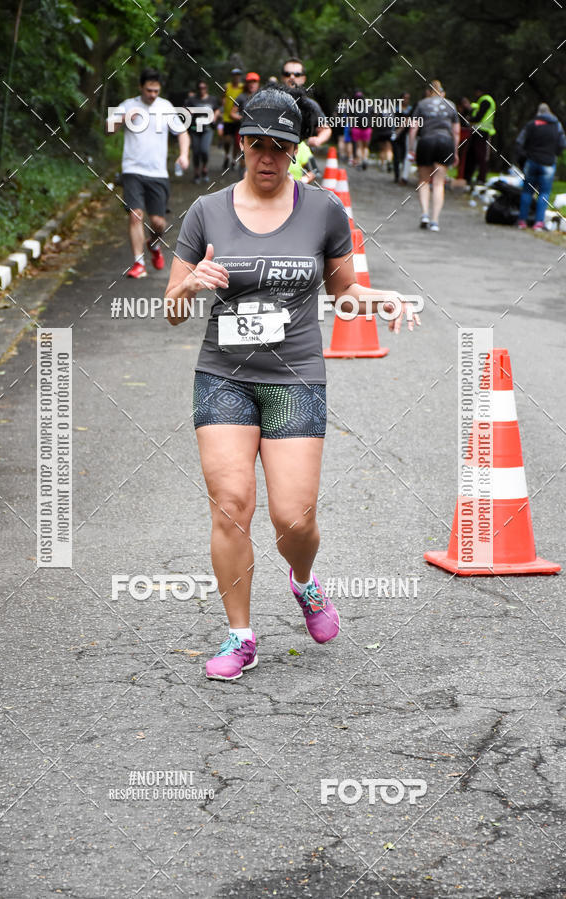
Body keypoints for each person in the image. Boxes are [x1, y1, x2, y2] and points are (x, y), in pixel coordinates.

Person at [164, 85, 419, 681]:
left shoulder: (323, 210)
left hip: (294, 375)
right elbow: (172, 308)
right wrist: (191, 285)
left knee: (294, 518)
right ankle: (241, 636)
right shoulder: (207, 212)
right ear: (242, 143)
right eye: (258, 144)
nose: (269, 156)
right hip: (223, 375)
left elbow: (344, 290)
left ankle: (304, 583)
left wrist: (377, 299)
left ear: (296, 149)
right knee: (231, 506)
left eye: (281, 145)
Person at [106, 67, 190, 278]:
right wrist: (123, 118)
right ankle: (139, 263)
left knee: (158, 223)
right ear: (140, 87)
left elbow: (182, 133)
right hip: (132, 169)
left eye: (156, 91)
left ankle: (153, 244)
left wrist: (184, 154)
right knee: (136, 216)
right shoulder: (129, 105)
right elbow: (108, 129)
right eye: (149, 90)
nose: (152, 95)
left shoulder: (166, 107)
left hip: (158, 173)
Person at [409, 80, 459, 232]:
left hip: (426, 141)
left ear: (428, 92)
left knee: (424, 180)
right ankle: (435, 220)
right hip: (445, 142)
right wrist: (455, 151)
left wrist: (412, 148)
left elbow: (413, 127)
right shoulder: (451, 104)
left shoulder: (422, 104)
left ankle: (424, 213)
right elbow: (456, 131)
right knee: (438, 183)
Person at [515, 102, 566, 231]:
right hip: (548, 163)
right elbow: (562, 144)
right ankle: (538, 223)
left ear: (539, 113)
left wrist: (524, 156)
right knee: (544, 193)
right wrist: (554, 154)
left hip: (531, 161)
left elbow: (519, 142)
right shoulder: (557, 126)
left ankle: (522, 221)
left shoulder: (531, 124)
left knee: (527, 191)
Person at [280, 58, 332, 147]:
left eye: (297, 74)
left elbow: (326, 129)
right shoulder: (270, 100)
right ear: (282, 77)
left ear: (303, 79)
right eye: (287, 74)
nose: (292, 77)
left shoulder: (310, 105)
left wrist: (318, 140)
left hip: (300, 157)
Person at [185, 80, 220, 184]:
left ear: (207, 88)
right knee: (196, 151)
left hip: (207, 129)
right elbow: (184, 110)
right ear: (197, 89)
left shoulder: (212, 99)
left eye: (204, 87)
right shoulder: (192, 100)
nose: (202, 90)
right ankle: (196, 173)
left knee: (204, 150)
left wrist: (215, 116)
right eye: (200, 88)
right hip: (195, 129)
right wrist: (188, 113)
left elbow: (217, 109)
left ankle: (204, 168)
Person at [464, 87, 496, 186]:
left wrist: (470, 119)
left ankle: (481, 178)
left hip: (482, 131)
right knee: (472, 154)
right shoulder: (480, 102)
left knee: (480, 155)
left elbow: (479, 116)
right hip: (477, 130)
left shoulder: (486, 100)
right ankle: (468, 177)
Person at [221, 68, 244, 171]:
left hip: (237, 119)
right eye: (234, 74)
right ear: (232, 76)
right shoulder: (227, 86)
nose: (236, 76)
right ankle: (226, 155)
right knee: (227, 140)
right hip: (227, 118)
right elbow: (222, 98)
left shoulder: (243, 87)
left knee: (236, 141)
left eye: (238, 75)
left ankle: (234, 160)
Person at [392, 92, 412, 184]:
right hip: (396, 135)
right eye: (404, 98)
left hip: (406, 135)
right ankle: (396, 175)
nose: (406, 100)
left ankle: (404, 174)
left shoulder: (410, 110)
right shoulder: (395, 109)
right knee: (396, 156)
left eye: (408, 98)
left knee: (405, 155)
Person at [350, 90, 371, 169]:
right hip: (367, 129)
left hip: (356, 128)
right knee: (365, 147)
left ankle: (359, 161)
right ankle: (365, 159)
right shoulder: (368, 106)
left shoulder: (352, 106)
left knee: (358, 147)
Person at [455, 96, 472, 183]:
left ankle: (460, 176)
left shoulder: (469, 113)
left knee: (463, 157)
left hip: (465, 136)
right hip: (459, 136)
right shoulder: (456, 115)